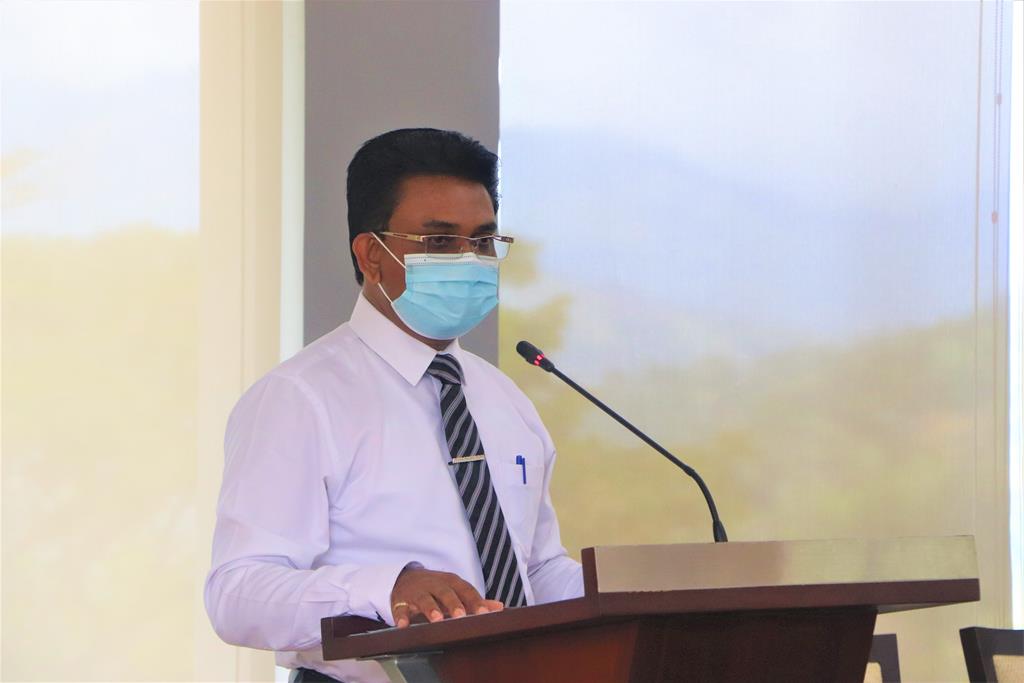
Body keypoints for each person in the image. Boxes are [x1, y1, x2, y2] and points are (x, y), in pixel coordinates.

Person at [204, 128, 584, 683]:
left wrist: (635, 590)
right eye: (439, 241)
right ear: (371, 255)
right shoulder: (300, 398)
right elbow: (237, 594)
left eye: (482, 241)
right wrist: (387, 589)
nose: (469, 260)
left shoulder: (505, 399)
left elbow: (535, 572)